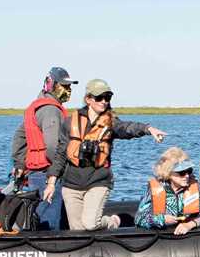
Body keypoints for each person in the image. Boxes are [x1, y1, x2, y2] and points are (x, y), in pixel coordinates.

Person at [61, 78, 167, 231]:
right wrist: (51, 181)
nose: (104, 101)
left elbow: (126, 128)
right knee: (77, 229)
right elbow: (60, 152)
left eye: (107, 97)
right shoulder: (70, 122)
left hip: (98, 180)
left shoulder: (111, 122)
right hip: (72, 183)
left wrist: (147, 129)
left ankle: (112, 222)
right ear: (88, 99)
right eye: (99, 97)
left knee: (90, 224)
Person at [9, 66, 74, 229]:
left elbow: (19, 137)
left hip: (35, 174)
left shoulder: (36, 107)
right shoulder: (51, 110)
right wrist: (61, 169)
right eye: (64, 86)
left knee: (39, 215)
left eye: (69, 86)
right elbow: (52, 146)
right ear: (52, 84)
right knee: (50, 222)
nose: (68, 90)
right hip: (48, 174)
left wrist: (19, 164)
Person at [137, 147, 200, 234]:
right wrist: (161, 219)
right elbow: (139, 219)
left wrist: (189, 225)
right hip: (162, 234)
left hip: (189, 235)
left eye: (189, 171)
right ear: (169, 173)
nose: (187, 176)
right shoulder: (154, 189)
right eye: (181, 172)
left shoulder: (195, 186)